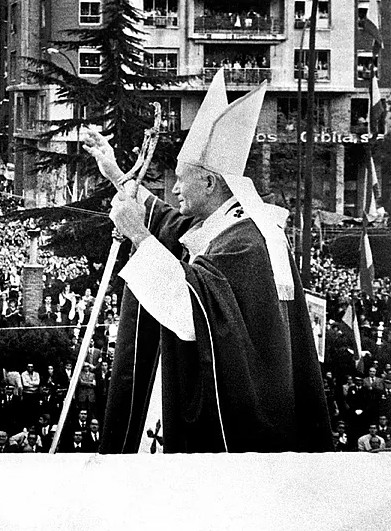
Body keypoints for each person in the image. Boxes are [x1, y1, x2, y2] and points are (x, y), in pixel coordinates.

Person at [83, 70, 331, 453]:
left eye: (182, 180)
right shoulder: (235, 223)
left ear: (211, 183)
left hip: (237, 423)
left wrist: (138, 235)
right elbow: (175, 225)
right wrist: (117, 174)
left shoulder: (247, 245)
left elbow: (189, 308)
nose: (174, 188)